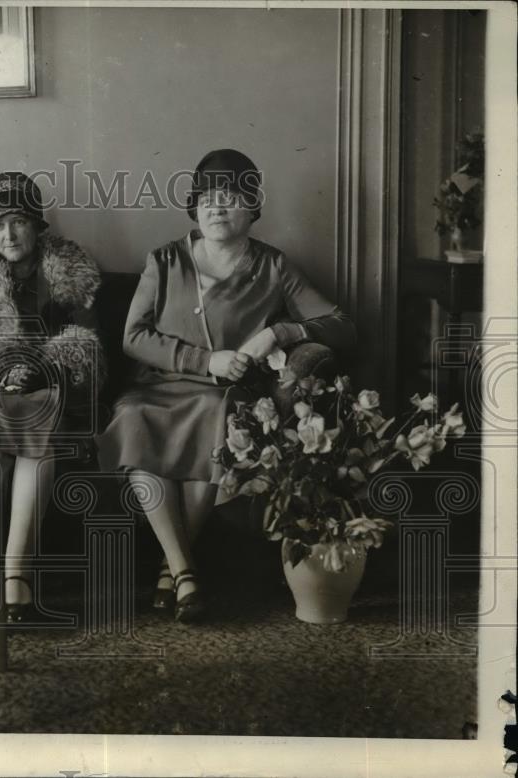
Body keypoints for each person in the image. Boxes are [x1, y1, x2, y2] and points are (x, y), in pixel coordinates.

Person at [95, 149, 355, 623]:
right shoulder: (166, 260)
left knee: (219, 421)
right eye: (207, 197)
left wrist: (280, 332)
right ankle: (181, 569)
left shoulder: (274, 268)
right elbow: (133, 337)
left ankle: (174, 572)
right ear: (194, 207)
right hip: (157, 386)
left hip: (222, 395)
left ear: (253, 208)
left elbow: (341, 323)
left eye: (231, 197)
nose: (217, 207)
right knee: (133, 419)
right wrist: (204, 359)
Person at [0, 172, 104, 624]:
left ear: (38, 226)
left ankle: (15, 572)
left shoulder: (69, 272)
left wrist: (42, 366)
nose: (9, 234)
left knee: (37, 420)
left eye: (18, 222)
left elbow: (87, 343)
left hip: (50, 386)